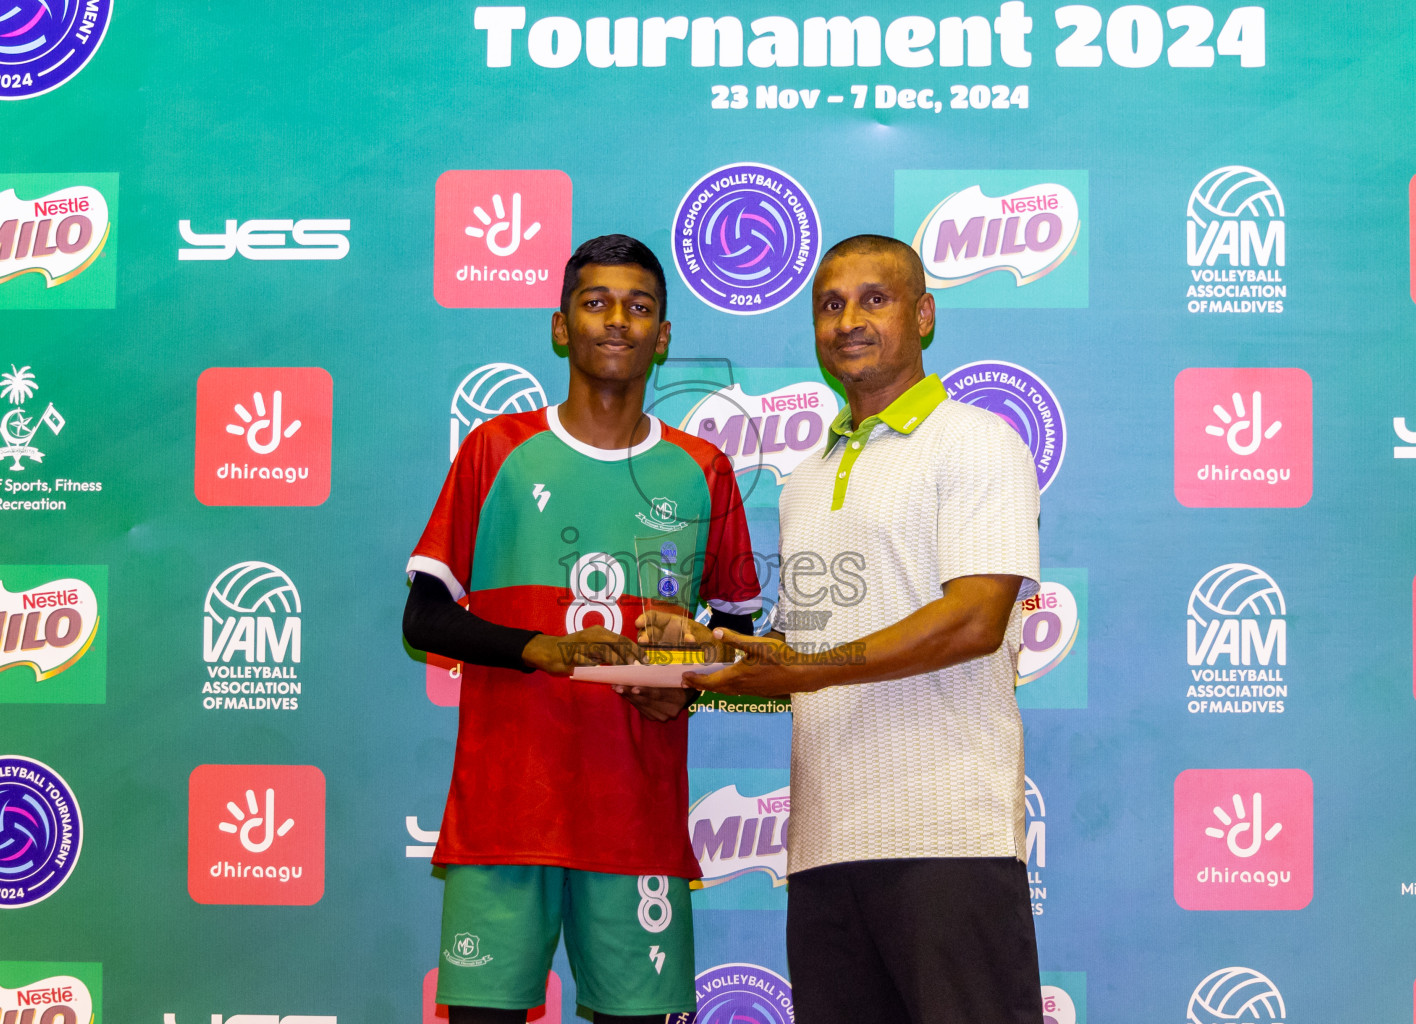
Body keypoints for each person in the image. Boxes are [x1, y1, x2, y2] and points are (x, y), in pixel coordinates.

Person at [639, 234, 1043, 1024]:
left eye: (874, 299)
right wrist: (704, 658)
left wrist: (806, 670)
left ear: (922, 316)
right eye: (830, 304)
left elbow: (973, 620)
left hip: (947, 840)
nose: (849, 320)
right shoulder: (806, 479)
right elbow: (799, 656)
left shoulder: (977, 440)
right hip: (824, 849)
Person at [404, 234, 760, 1024]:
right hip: (505, 817)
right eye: (595, 302)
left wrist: (690, 691)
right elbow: (423, 617)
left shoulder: (704, 470)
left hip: (634, 820)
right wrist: (540, 649)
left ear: (663, 337)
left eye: (639, 307)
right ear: (561, 325)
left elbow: (735, 638)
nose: (617, 321)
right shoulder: (495, 450)